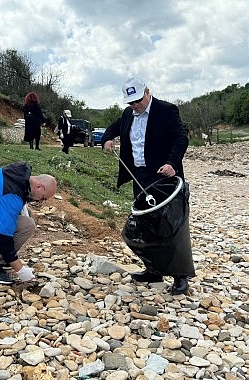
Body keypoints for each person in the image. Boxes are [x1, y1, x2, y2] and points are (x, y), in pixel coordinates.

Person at [101, 76, 191, 295]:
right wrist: (107, 139)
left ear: (148, 92)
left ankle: (181, 275)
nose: (135, 105)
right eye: (131, 102)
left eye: (138, 100)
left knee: (170, 225)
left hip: (164, 177)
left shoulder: (167, 110)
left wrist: (171, 163)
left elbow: (181, 139)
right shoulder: (127, 114)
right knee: (145, 224)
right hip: (139, 176)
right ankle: (154, 269)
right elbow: (112, 128)